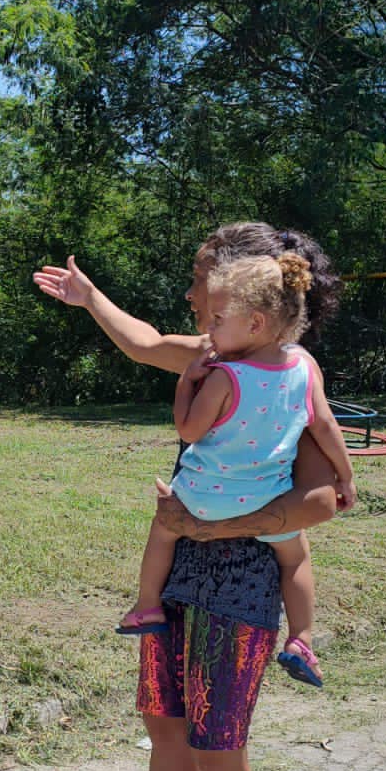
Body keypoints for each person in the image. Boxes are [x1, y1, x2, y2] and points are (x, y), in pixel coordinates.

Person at [33, 222, 343, 771]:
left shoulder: (287, 376)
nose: (190, 298)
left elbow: (324, 501)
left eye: (201, 285)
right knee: (165, 726)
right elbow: (143, 343)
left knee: (219, 747)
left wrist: (219, 527)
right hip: (179, 576)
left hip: (238, 584)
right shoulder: (214, 354)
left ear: (251, 304)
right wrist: (88, 297)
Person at [117, 251, 356, 690]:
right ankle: (301, 637)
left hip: (202, 498)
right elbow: (325, 426)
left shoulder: (225, 377)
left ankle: (147, 604)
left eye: (218, 319)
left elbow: (189, 430)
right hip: (268, 500)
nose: (208, 329)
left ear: (255, 323)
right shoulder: (303, 369)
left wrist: (186, 382)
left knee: (164, 527)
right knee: (295, 556)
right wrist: (345, 475)